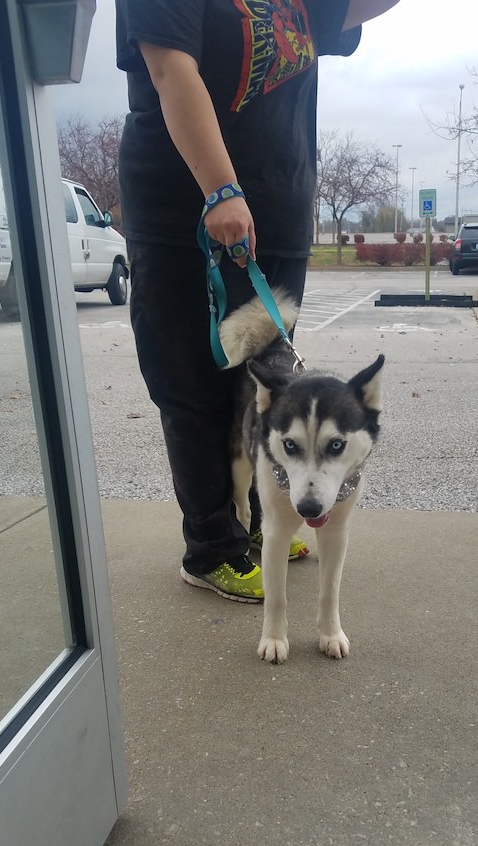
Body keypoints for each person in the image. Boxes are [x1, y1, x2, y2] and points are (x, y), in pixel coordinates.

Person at [114, 0, 400, 604]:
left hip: (276, 210)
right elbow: (170, 69)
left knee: (261, 391)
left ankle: (255, 525)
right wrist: (219, 188)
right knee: (193, 388)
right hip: (186, 207)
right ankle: (212, 547)